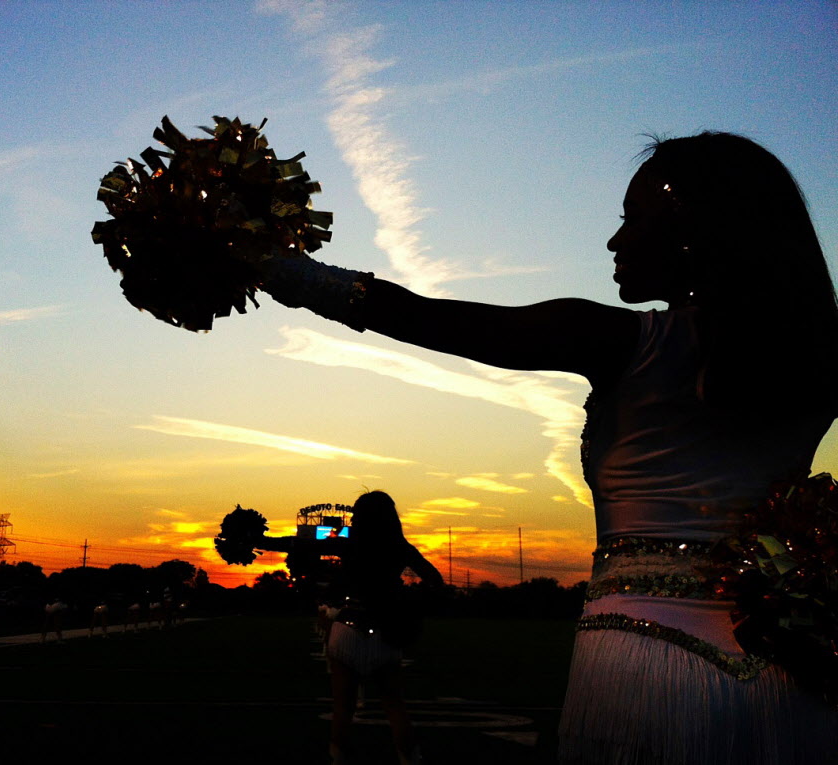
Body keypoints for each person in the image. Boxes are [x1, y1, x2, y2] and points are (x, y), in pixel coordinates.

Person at [259, 132, 838, 764]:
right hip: (788, 680)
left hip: (640, 669)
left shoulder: (619, 337)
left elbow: (428, 317)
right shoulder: (818, 367)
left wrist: (272, 267)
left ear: (692, 232)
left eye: (632, 220)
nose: (616, 241)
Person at [260, 491, 444, 765]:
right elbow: (435, 581)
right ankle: (410, 759)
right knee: (394, 706)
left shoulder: (349, 545)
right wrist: (408, 605)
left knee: (343, 709)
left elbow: (299, 544)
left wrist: (259, 540)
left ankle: (339, 759)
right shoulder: (401, 548)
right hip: (386, 631)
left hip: (347, 630)